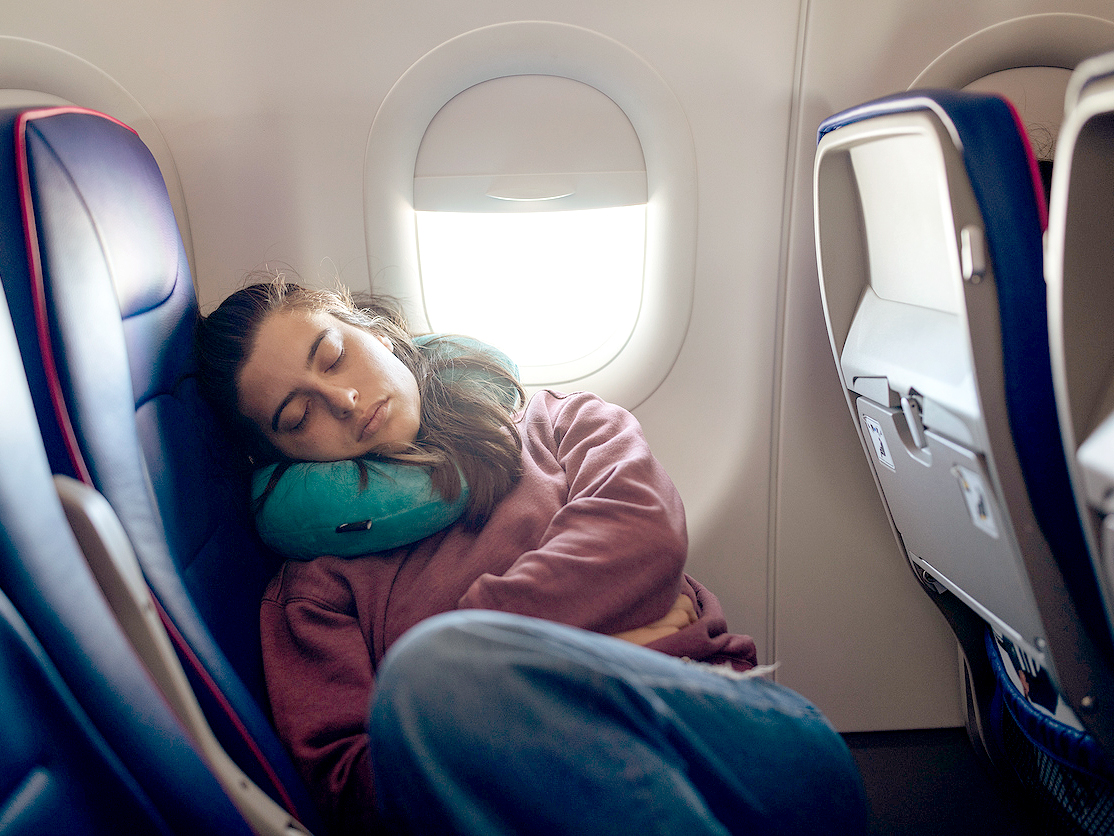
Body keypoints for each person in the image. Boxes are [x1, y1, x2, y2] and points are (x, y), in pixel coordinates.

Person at [195, 276, 868, 835]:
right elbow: (352, 787)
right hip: (531, 813)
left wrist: (465, 684)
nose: (340, 401)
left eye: (334, 354)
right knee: (437, 672)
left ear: (371, 327)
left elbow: (645, 539)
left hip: (738, 741)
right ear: (281, 457)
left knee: (436, 670)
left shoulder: (564, 423)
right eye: (296, 416)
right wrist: (535, 672)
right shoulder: (313, 592)